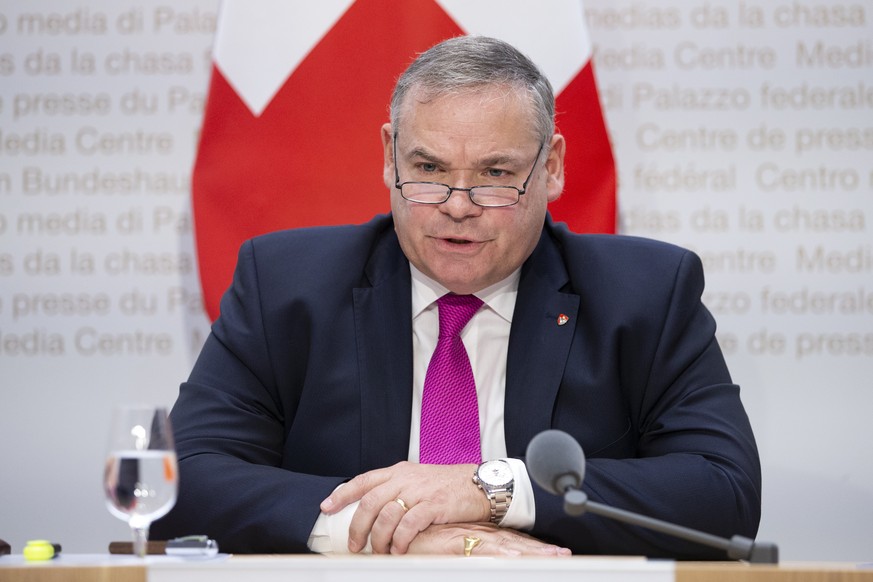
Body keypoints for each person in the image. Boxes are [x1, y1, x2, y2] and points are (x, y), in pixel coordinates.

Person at [152, 35, 761, 558]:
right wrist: (391, 531)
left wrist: (491, 490)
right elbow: (182, 482)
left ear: (551, 167)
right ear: (388, 156)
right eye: (429, 168)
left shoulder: (646, 295)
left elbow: (723, 492)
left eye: (496, 174)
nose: (457, 204)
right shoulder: (286, 286)